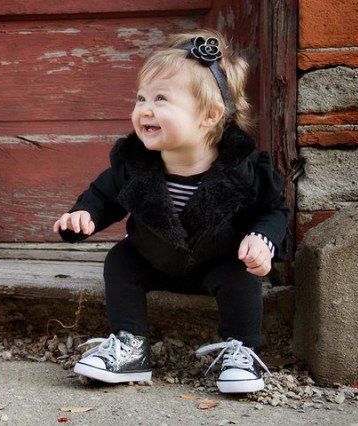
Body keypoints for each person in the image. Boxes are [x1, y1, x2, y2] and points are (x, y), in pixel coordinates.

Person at [52, 29, 288, 394]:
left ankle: (240, 348)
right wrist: (84, 216)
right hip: (154, 257)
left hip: (217, 261)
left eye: (161, 99)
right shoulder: (135, 164)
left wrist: (263, 239)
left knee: (241, 276)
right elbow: (104, 195)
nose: (144, 109)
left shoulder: (243, 170)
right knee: (120, 261)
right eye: (140, 97)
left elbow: (272, 210)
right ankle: (130, 345)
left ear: (209, 115)